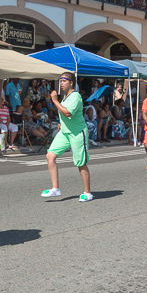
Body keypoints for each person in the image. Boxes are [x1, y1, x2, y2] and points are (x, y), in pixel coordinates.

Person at [41, 72, 93, 202]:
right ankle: (55, 189)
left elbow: (68, 112)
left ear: (71, 83)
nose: (61, 83)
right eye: (61, 81)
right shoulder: (65, 97)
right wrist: (60, 122)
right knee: (50, 156)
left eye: (64, 81)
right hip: (65, 132)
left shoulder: (76, 96)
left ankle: (87, 193)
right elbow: (63, 112)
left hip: (77, 132)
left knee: (80, 163)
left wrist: (54, 100)